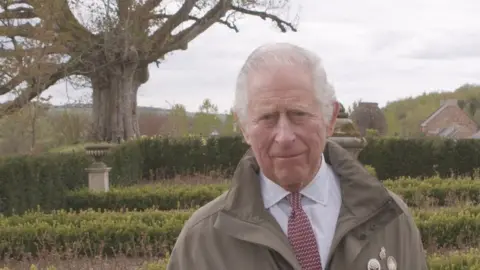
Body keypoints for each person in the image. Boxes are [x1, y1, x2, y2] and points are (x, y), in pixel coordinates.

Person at [166, 43, 428, 270]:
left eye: (298, 114)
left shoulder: (391, 220)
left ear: (331, 118)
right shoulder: (201, 241)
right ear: (244, 126)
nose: (284, 136)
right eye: (267, 117)